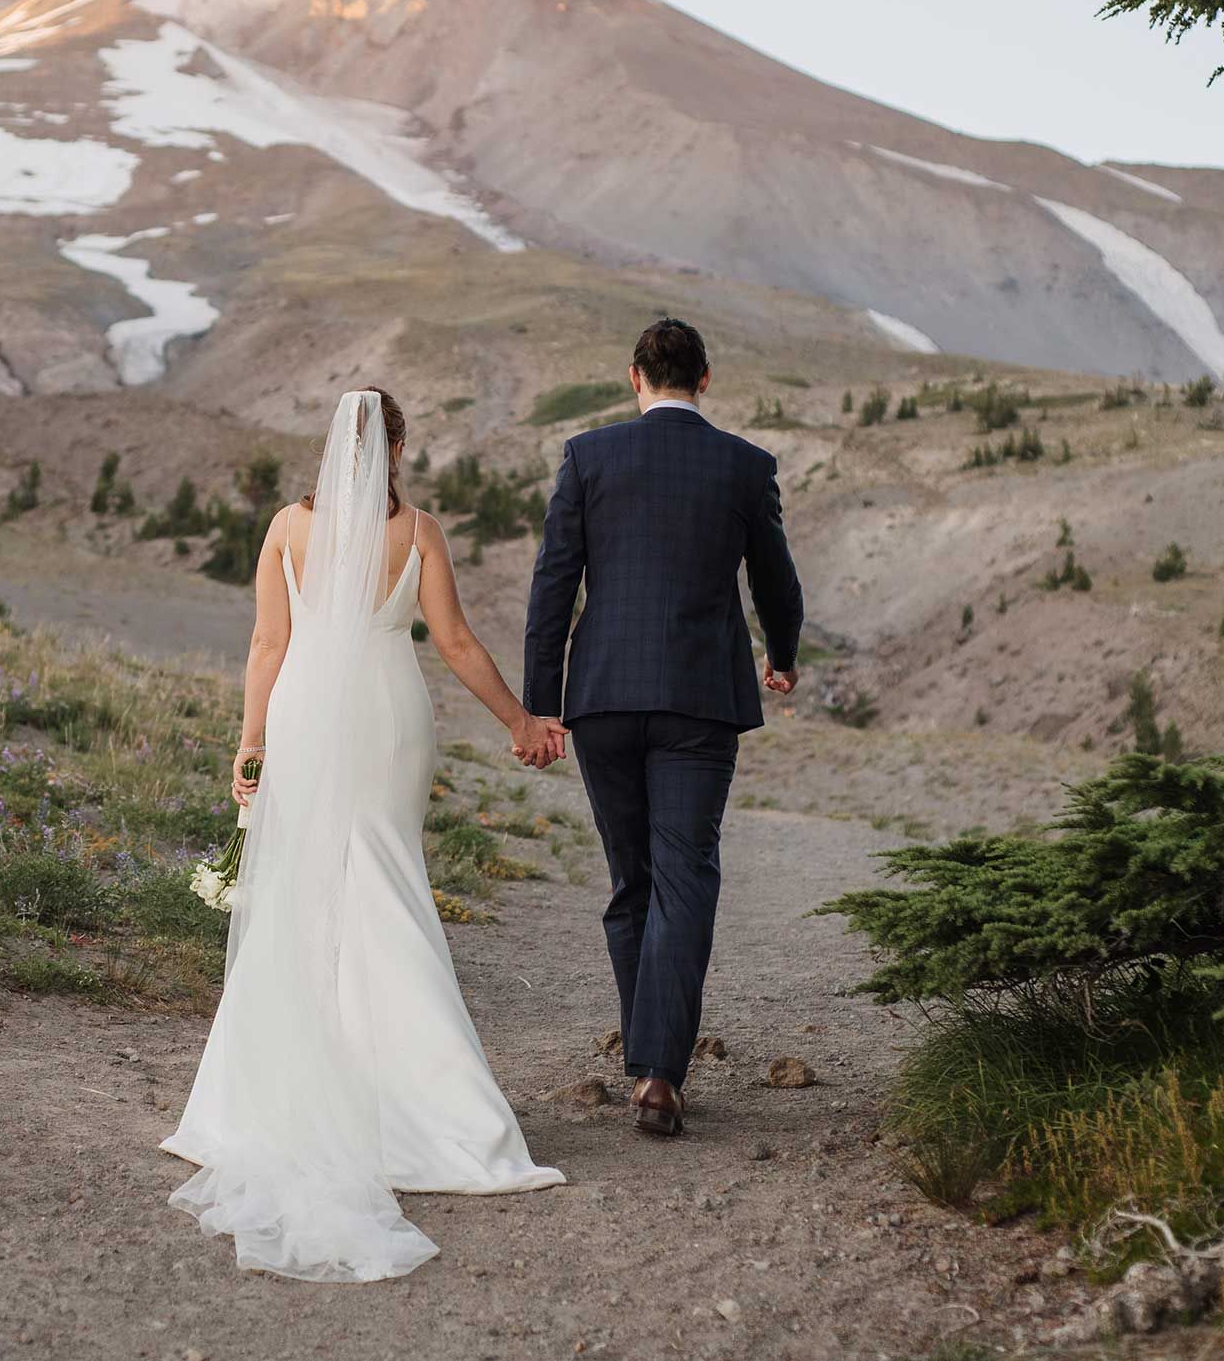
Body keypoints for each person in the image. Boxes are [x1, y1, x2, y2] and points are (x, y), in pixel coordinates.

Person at [162, 388, 566, 1282]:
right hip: (388, 716)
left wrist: (251, 742)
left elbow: (267, 645)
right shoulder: (416, 530)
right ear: (397, 447)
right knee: (385, 883)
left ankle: (283, 1096)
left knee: (310, 886)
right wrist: (519, 720)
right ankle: (429, 1108)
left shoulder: (285, 527)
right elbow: (454, 642)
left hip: (306, 710)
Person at [522, 317, 804, 1137]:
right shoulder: (746, 466)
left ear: (634, 377)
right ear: (705, 379)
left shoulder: (588, 456)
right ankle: (658, 1076)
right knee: (686, 879)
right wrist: (781, 654)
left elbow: (553, 585)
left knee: (632, 881)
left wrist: (543, 701)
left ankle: (647, 1059)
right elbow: (777, 582)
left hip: (602, 695)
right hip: (699, 701)